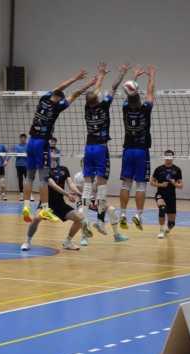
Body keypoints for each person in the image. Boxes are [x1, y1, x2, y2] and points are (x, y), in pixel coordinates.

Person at [22, 69, 98, 223]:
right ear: (60, 99)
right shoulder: (58, 106)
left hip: (30, 142)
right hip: (41, 143)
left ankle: (26, 206)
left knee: (29, 177)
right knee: (43, 179)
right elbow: (75, 94)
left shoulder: (43, 99)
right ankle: (44, 209)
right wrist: (88, 85)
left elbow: (60, 87)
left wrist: (75, 77)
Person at [81, 62, 129, 236]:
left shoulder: (87, 108)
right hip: (101, 149)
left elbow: (97, 89)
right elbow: (114, 87)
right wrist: (122, 73)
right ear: (97, 99)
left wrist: (100, 74)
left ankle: (85, 220)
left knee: (87, 186)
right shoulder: (104, 106)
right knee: (101, 186)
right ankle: (100, 221)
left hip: (88, 148)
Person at [21, 158, 93, 251]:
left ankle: (68, 242)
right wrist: (67, 195)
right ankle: (27, 241)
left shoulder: (64, 169)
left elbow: (71, 184)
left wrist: (80, 194)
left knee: (81, 218)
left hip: (60, 204)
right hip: (46, 203)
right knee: (36, 218)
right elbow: (53, 185)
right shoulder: (45, 170)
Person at [119, 65, 156, 231]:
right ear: (139, 99)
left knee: (126, 184)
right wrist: (151, 76)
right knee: (141, 185)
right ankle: (138, 215)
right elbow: (150, 92)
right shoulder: (145, 109)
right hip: (141, 151)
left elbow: (130, 93)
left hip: (128, 150)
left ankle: (122, 214)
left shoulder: (125, 109)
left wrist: (134, 77)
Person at [74, 159, 128, 245]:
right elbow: (78, 192)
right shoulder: (78, 176)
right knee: (82, 213)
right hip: (83, 199)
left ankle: (117, 235)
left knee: (112, 210)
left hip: (95, 199)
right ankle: (84, 237)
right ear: (81, 165)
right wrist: (80, 203)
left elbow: (100, 191)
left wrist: (96, 200)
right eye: (84, 164)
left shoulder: (97, 176)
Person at [150, 150, 183, 239]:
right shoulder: (159, 169)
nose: (168, 158)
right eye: (167, 156)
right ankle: (161, 230)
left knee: (172, 224)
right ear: (164, 157)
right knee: (162, 209)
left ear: (172, 158)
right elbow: (151, 182)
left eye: (170, 156)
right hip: (160, 194)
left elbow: (181, 185)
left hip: (171, 196)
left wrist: (174, 183)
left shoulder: (177, 170)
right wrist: (160, 185)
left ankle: (167, 229)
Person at [14, 133, 29, 201]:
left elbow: (30, 155)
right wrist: (24, 154)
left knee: (28, 181)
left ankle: (29, 194)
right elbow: (16, 155)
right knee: (20, 180)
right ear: (20, 138)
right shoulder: (17, 146)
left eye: (24, 137)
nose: (23, 139)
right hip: (18, 165)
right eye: (21, 137)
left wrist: (24, 154)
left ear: (26, 138)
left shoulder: (28, 146)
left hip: (27, 165)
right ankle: (21, 195)